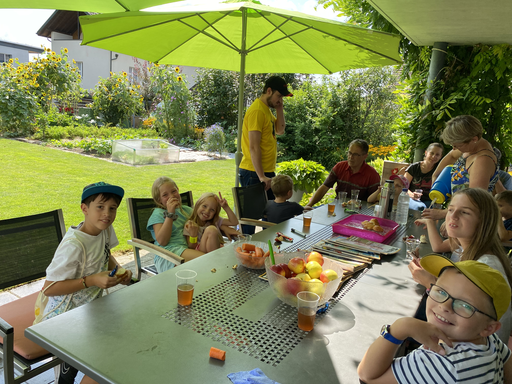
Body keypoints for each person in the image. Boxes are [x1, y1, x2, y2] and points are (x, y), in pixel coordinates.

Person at [358, 255, 512, 384]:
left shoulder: (443, 363)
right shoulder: (490, 341)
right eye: (441, 291)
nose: (444, 306)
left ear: (488, 328)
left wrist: (401, 327)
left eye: (465, 305)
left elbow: (367, 376)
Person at [41, 182, 132, 384]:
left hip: (92, 309)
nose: (107, 214)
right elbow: (49, 289)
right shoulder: (74, 245)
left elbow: (106, 255)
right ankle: (67, 372)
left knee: (126, 337)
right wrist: (91, 280)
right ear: (84, 208)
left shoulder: (105, 230)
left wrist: (120, 272)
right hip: (65, 316)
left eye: (112, 208)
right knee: (104, 358)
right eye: (100, 207)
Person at [410, 188, 512, 343]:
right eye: (451, 209)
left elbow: (462, 314)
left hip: (472, 353)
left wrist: (431, 283)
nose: (453, 216)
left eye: (465, 212)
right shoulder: (463, 249)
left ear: (484, 221)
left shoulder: (487, 266)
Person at [239, 76, 293, 233]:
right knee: (250, 219)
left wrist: (279, 108)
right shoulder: (257, 111)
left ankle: (266, 251)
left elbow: (280, 130)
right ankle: (245, 253)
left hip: (266, 172)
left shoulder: (266, 110)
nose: (280, 99)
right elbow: (254, 147)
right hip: (254, 172)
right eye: (279, 96)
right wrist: (261, 176)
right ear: (269, 91)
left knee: (271, 216)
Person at [423, 115, 499, 221]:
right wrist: (435, 175)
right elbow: (452, 155)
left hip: (470, 221)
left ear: (474, 139)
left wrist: (444, 214)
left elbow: (474, 201)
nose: (454, 148)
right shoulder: (471, 146)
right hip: (458, 214)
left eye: (457, 145)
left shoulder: (482, 161)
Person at [147, 177, 204, 273]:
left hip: (187, 250)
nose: (172, 196)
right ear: (159, 200)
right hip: (167, 255)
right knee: (205, 260)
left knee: (213, 257)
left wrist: (224, 227)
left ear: (178, 190)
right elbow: (162, 241)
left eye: (174, 191)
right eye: (165, 195)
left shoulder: (187, 210)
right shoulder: (158, 213)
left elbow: (206, 221)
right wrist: (170, 214)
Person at [306, 139, 380, 208]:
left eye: (355, 155)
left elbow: (374, 201)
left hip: (358, 212)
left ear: (365, 156)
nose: (351, 157)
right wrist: (309, 205)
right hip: (338, 207)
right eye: (349, 153)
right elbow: (324, 187)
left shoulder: (372, 174)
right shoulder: (339, 167)